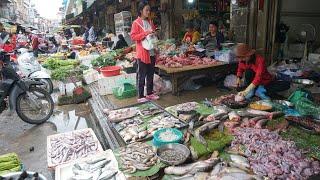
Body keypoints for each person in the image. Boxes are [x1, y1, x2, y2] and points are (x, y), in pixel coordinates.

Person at [131, 1, 159, 102]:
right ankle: (140, 96)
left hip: (151, 51)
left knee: (151, 74)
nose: (148, 12)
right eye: (146, 10)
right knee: (141, 75)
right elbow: (133, 36)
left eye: (149, 10)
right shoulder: (136, 23)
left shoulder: (150, 22)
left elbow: (152, 36)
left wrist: (154, 37)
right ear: (140, 11)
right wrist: (146, 33)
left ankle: (150, 93)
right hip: (142, 53)